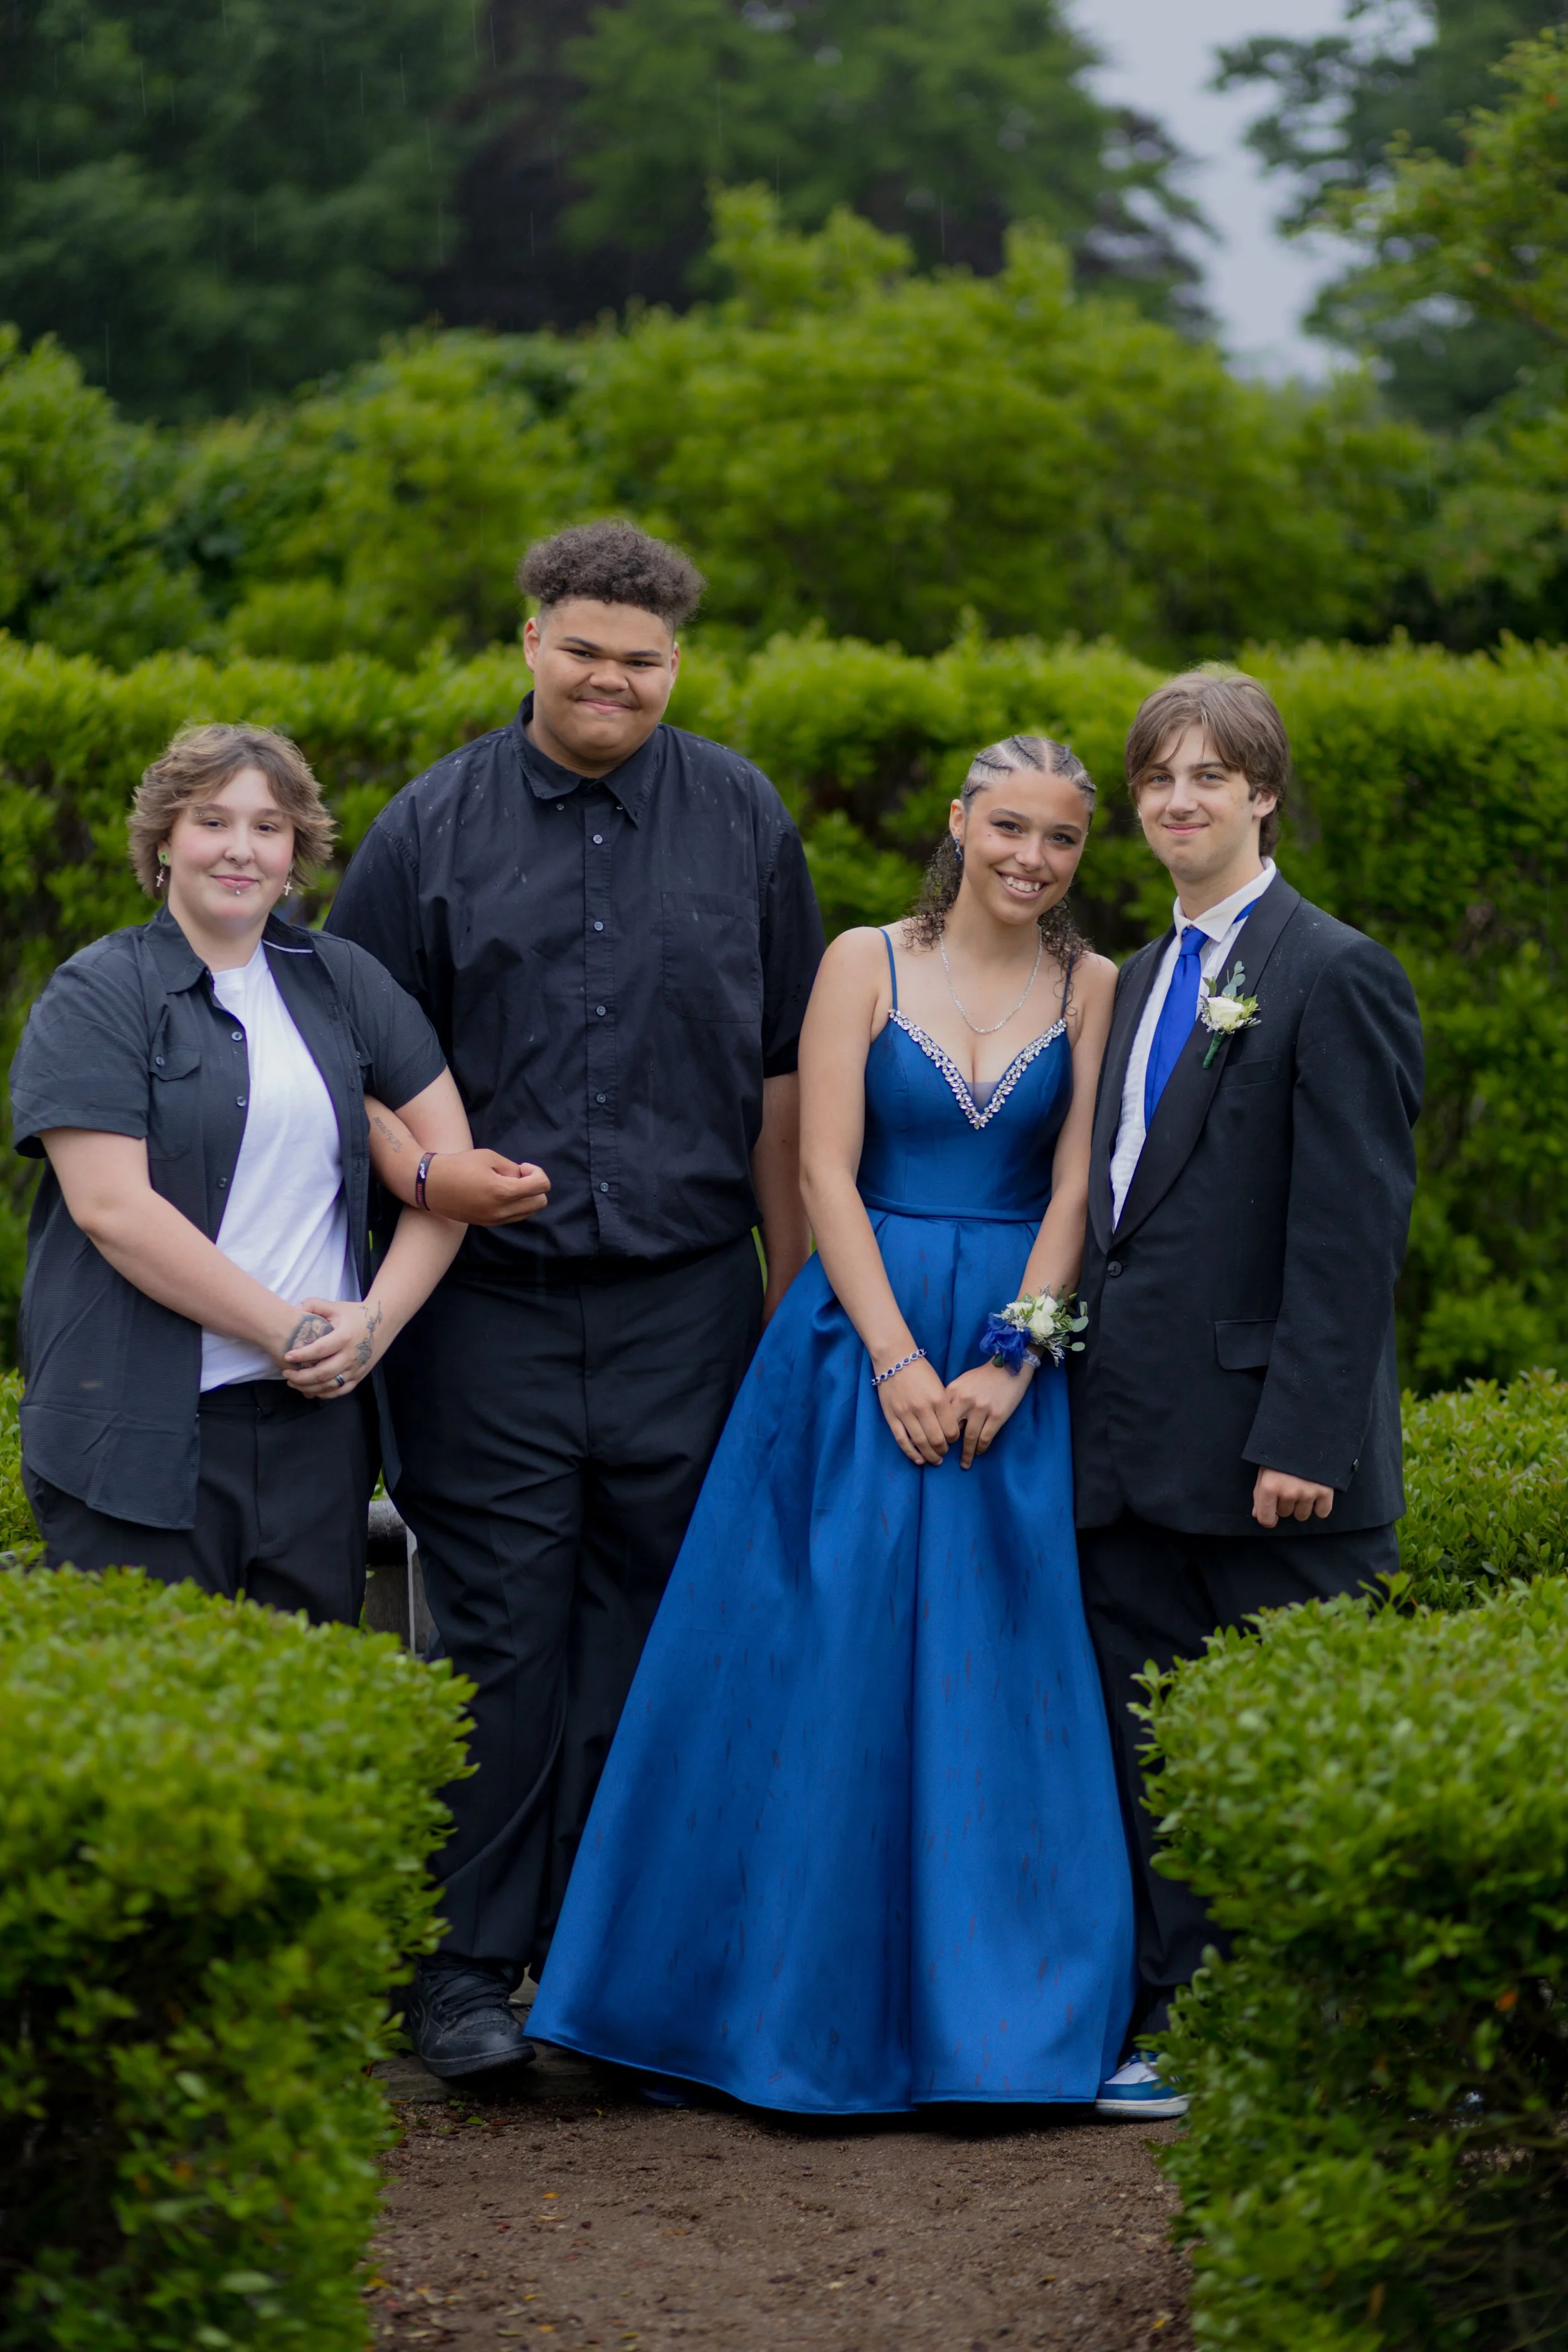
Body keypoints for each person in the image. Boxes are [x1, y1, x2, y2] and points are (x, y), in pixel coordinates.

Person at [528, 735, 1137, 2116]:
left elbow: (1068, 1195)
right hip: (853, 1342)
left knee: (1002, 1672)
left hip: (1005, 1359)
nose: (1030, 858)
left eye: (1058, 839)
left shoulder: (1093, 984)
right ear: (957, 822)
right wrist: (892, 1361)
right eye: (1008, 828)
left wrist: (1011, 1361)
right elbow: (819, 1167)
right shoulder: (863, 957)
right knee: (821, 1660)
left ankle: (999, 2030)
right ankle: (764, 2013)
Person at [325, 519, 825, 2080]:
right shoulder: (427, 829)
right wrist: (425, 1184)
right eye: (585, 649)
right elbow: (353, 1065)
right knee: (494, 1637)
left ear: (675, 664)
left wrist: (791, 1306)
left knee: (663, 1635)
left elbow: (785, 1084)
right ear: (529, 644)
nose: (612, 678)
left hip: (689, 1301)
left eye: (643, 658)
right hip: (487, 1309)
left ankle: (622, 1986)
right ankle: (466, 1979)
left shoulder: (742, 815)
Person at [1069, 670, 1424, 2120]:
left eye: (1210, 775)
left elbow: (1350, 1234)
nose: (1177, 801)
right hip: (1127, 1454)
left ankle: (1367, 2043)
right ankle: (1181, 2021)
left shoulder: (1332, 970)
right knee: (1152, 1755)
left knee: (1303, 1771)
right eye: (1158, 776)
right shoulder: (1138, 978)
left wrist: (1301, 1440)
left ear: (1262, 794)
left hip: (1273, 1462)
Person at [8, 722, 546, 1622]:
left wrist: (374, 1324)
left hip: (313, 1439)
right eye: (212, 821)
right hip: (135, 1437)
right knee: (155, 1721)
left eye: (267, 826)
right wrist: (290, 1332)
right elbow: (112, 1209)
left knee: (300, 1727)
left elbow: (447, 1179)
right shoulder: (98, 993)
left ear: (296, 849)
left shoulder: (347, 983)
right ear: (164, 842)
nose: (239, 849)